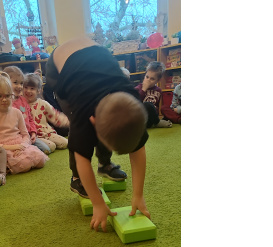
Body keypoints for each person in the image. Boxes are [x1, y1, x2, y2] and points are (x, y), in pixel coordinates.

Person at [46, 36, 151, 232]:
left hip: (93, 54)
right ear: (93, 121)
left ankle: (105, 164)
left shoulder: (133, 103)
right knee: (79, 138)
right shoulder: (83, 114)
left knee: (113, 126)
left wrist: (138, 195)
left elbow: (139, 148)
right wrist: (98, 203)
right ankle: (76, 180)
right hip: (58, 66)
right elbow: (82, 159)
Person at [0, 71, 48, 174]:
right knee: (24, 164)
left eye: (7, 96)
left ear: (12, 95)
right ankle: (5, 167)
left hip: (19, 144)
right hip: (3, 148)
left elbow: (25, 134)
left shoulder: (17, 112)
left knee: (40, 160)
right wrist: (11, 147)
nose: (4, 99)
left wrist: (23, 145)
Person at [3, 66, 52, 155]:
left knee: (47, 150)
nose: (19, 86)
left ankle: (29, 148)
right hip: (16, 138)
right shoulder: (6, 103)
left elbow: (30, 118)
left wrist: (33, 132)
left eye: (21, 83)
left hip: (28, 135)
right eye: (15, 83)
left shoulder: (23, 100)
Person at [23, 73, 69, 153]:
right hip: (34, 135)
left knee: (65, 143)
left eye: (32, 88)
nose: (28, 91)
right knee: (51, 147)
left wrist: (69, 121)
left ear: (38, 90)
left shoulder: (43, 103)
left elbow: (55, 115)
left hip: (47, 132)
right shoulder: (21, 105)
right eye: (26, 87)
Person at [134, 61, 172, 129]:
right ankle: (157, 123)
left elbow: (156, 107)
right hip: (140, 118)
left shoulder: (158, 90)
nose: (148, 80)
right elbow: (135, 103)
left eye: (152, 79)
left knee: (153, 105)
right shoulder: (138, 88)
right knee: (147, 104)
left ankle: (156, 122)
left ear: (158, 80)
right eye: (147, 77)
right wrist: (143, 89)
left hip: (150, 119)